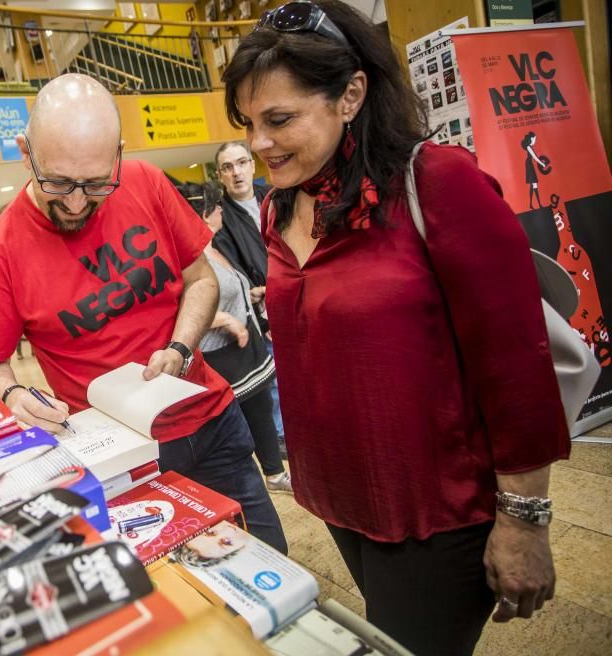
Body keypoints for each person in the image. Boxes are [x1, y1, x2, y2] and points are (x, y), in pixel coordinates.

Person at [222, 2, 569, 654]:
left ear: (351, 94)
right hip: (340, 498)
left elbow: (517, 369)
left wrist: (525, 521)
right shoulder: (278, 208)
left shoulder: (438, 184)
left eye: (279, 120)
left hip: (435, 513)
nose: (257, 144)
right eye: (248, 123)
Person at [0, 73, 287, 554]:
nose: (74, 203)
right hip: (120, 456)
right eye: (57, 182)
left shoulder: (147, 184)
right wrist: (10, 393)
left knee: (270, 557)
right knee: (180, 595)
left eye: (94, 184)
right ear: (25, 152)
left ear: (119, 153)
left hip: (212, 420)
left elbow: (201, 279)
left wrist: (179, 347)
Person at [179, 181, 291, 493]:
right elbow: (180, 308)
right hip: (219, 358)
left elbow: (232, 288)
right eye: (216, 208)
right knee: (236, 431)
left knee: (262, 416)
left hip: (246, 352)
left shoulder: (216, 247)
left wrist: (253, 294)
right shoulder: (188, 259)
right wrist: (224, 319)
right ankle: (242, 488)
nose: (220, 212)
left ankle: (275, 474)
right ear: (203, 214)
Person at [213, 141, 286, 445]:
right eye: (228, 167)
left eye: (242, 163)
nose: (237, 172)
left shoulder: (278, 197)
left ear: (253, 165)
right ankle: (281, 435)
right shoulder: (221, 219)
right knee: (274, 380)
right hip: (259, 310)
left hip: (293, 294)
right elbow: (230, 268)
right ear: (220, 175)